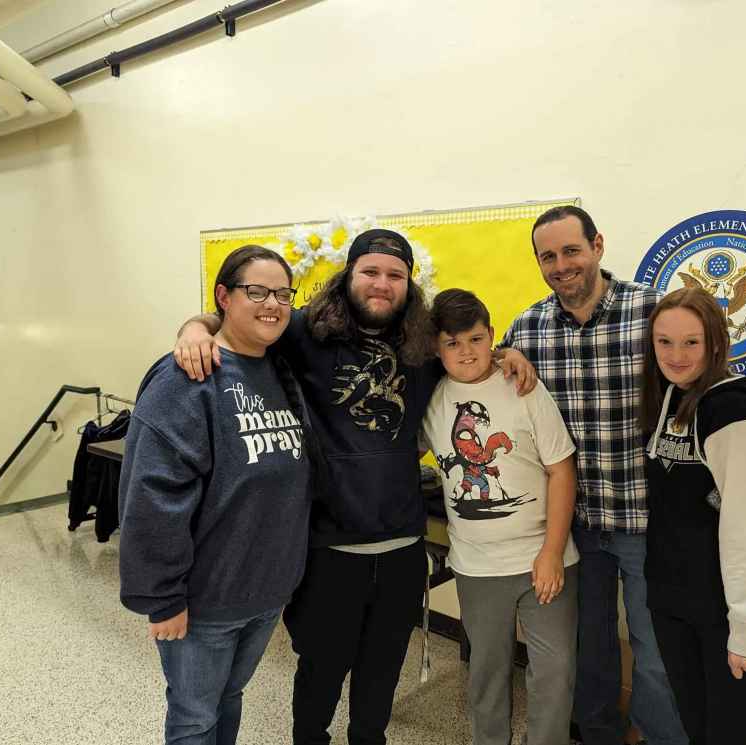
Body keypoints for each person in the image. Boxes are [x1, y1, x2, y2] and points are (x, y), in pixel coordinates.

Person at [172, 229, 535, 745]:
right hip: (329, 549)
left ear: (408, 284)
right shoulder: (306, 331)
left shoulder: (423, 343)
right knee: (320, 671)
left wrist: (507, 355)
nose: (382, 283)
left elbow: (470, 350)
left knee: (382, 673)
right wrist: (195, 327)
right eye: (371, 271)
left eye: (395, 275)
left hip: (402, 547)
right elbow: (246, 319)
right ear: (349, 275)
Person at [500, 205, 687, 745]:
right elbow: (480, 373)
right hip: (574, 527)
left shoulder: (652, 311)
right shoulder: (527, 328)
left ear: (597, 246)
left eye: (571, 251)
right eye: (548, 257)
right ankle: (601, 735)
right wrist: (502, 354)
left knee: (657, 652)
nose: (561, 266)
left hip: (649, 521)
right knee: (589, 648)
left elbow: (707, 378)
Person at [119, 245, 312, 745]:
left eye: (282, 294)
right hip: (204, 602)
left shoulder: (280, 368)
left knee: (229, 698)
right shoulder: (186, 378)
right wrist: (162, 598)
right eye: (257, 291)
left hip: (265, 592)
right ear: (224, 297)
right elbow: (152, 498)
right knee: (194, 718)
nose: (272, 304)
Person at [419, 288, 580, 745]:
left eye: (475, 339)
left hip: (543, 559)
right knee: (486, 674)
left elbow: (561, 469)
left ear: (492, 335)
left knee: (555, 671)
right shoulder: (432, 399)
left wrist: (552, 552)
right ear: (436, 347)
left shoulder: (524, 387)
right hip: (477, 566)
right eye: (452, 343)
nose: (466, 352)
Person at [640, 287, 746, 745]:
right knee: (697, 731)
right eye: (665, 342)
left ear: (715, 342)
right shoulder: (670, 397)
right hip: (675, 604)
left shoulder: (733, 411)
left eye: (691, 342)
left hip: (728, 613)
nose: (676, 355)